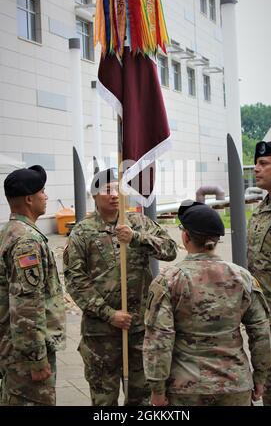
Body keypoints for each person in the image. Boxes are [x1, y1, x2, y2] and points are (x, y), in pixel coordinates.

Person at [143, 200, 271, 406]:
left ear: (185, 236)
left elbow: (159, 339)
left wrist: (157, 390)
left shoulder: (168, 280)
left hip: (185, 389)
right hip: (235, 385)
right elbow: (261, 332)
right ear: (216, 240)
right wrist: (260, 378)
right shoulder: (243, 278)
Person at [63, 168, 177, 406]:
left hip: (139, 329)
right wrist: (109, 314)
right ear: (94, 195)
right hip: (101, 332)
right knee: (104, 399)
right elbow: (75, 280)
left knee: (142, 398)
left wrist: (137, 237)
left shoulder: (137, 222)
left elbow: (170, 249)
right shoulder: (82, 232)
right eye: (107, 189)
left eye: (118, 188)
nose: (114, 194)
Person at [0, 165, 66, 406]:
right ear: (29, 199)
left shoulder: (10, 232)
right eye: (42, 191)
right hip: (24, 356)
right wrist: (36, 359)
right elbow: (26, 305)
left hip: (12, 347)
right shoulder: (27, 240)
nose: (46, 196)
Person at [247, 140, 271, 406]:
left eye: (264, 163)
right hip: (266, 325)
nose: (256, 169)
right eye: (256, 163)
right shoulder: (261, 209)